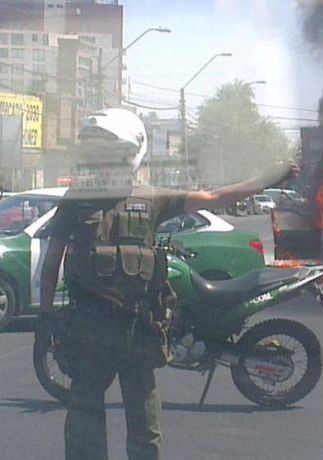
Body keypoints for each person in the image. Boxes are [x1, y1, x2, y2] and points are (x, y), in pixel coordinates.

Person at [36, 108, 299, 460]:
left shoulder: (152, 198)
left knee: (144, 423)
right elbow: (51, 261)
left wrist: (268, 179)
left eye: (111, 154)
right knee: (84, 421)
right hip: (88, 327)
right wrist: (45, 316)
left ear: (131, 155)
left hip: (137, 327)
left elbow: (213, 198)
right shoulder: (76, 200)